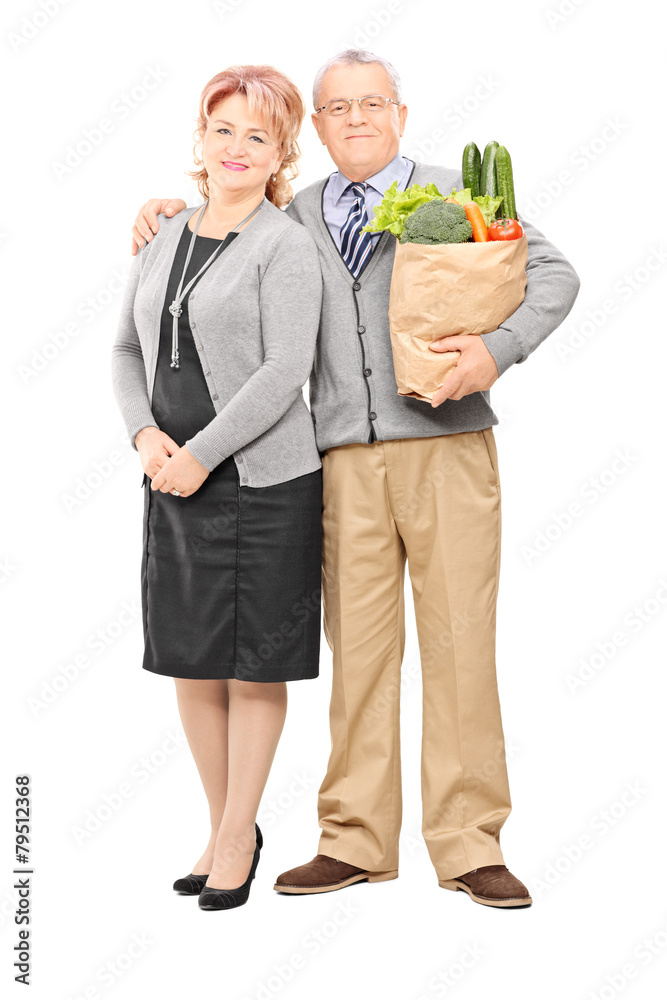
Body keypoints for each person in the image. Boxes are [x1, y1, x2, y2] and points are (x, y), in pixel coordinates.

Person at [129, 49, 581, 909]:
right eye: (337, 109)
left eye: (372, 104)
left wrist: (495, 350)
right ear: (318, 130)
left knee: (457, 648)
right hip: (336, 463)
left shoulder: (458, 193)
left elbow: (554, 275)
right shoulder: (292, 216)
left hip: (447, 450)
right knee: (359, 656)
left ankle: (467, 841)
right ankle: (354, 840)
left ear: (400, 115)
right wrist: (156, 211)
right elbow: (220, 228)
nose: (356, 119)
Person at [111, 64, 324, 911]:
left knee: (251, 668)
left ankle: (240, 832)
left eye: (257, 135)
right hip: (169, 479)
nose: (237, 147)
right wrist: (145, 436)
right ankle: (220, 825)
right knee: (191, 663)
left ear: (280, 153)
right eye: (223, 129)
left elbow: (285, 371)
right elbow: (126, 351)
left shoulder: (284, 244)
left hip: (262, 485)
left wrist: (199, 452)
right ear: (200, 139)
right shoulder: (163, 234)